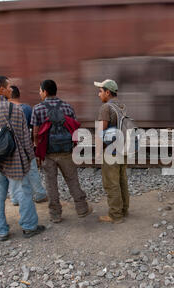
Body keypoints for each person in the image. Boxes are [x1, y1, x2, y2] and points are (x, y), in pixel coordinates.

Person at [0, 76, 45, 241]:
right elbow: (25, 138)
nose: (11, 89)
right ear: (2, 89)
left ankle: (1, 230)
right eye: (9, 87)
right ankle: (29, 227)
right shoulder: (15, 109)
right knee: (23, 192)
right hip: (15, 160)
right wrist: (29, 157)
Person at [31, 79, 92, 223]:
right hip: (66, 151)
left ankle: (55, 215)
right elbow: (74, 128)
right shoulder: (67, 107)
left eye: (40, 91)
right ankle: (82, 209)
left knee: (51, 184)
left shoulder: (38, 108)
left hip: (48, 152)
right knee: (72, 180)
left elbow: (35, 133)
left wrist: (37, 150)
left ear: (45, 92)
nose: (39, 93)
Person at [94, 79, 129, 224]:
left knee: (111, 183)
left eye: (100, 91)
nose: (98, 94)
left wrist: (97, 152)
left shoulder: (105, 108)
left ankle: (115, 215)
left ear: (108, 92)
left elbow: (100, 131)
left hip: (111, 151)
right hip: (122, 148)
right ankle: (124, 210)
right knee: (122, 180)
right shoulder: (122, 106)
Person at [9, 85, 47, 206]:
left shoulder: (4, 108)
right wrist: (34, 143)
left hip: (10, 148)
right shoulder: (26, 108)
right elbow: (34, 127)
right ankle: (40, 194)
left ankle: (15, 198)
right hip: (26, 145)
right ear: (18, 95)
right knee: (32, 170)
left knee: (13, 173)